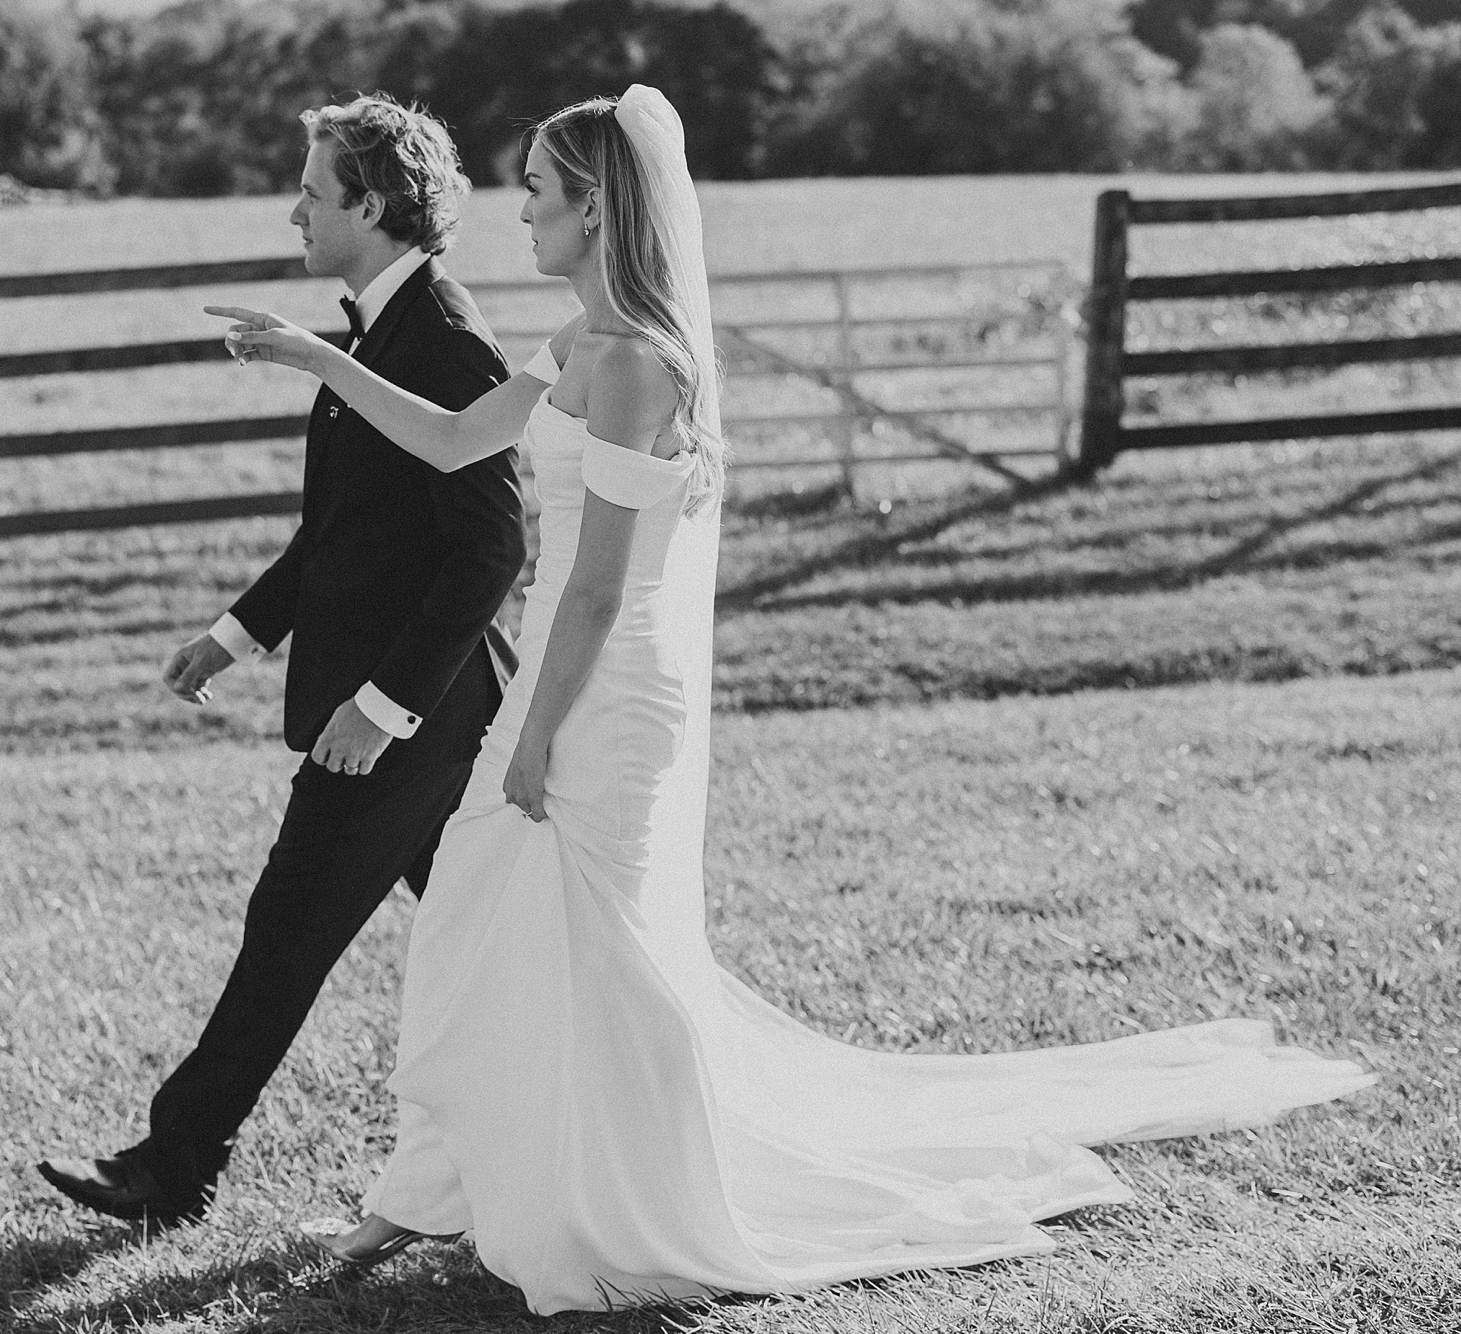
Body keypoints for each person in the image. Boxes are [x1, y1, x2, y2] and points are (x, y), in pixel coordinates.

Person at [211, 85, 1376, 1314]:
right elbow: (452, 440)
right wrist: (312, 353)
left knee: (584, 942)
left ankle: (612, 1196)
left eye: (540, 196)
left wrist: (535, 734)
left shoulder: (635, 367)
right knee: (479, 928)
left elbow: (601, 588)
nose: (520, 219)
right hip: (561, 669)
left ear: (597, 212)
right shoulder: (575, 346)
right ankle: (430, 1188)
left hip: (598, 687)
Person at [37, 94, 526, 1226]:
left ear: (370, 201)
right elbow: (344, 532)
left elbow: (489, 543)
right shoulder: (375, 334)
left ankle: (172, 1162)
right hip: (408, 712)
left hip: (408, 718)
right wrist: (236, 632)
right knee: (492, 948)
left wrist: (387, 706)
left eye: (311, 191)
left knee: (286, 926)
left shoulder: (443, 340)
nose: (292, 210)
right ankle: (554, 1133)